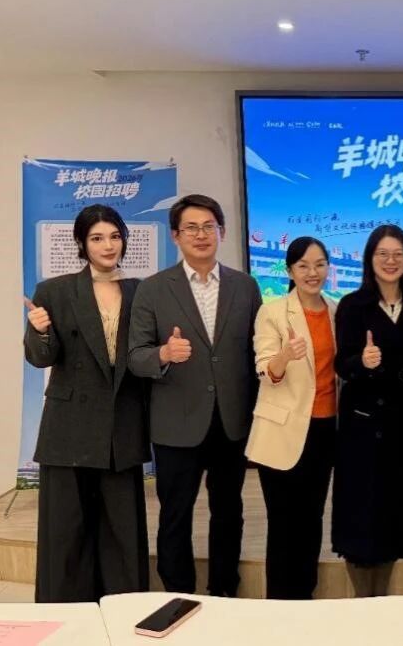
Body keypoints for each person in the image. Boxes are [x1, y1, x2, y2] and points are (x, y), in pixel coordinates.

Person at [128, 194, 261, 597]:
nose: (201, 235)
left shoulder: (245, 286)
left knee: (229, 512)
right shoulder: (153, 289)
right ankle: (178, 593)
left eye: (208, 227)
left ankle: (225, 590)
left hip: (232, 420)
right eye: (191, 228)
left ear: (222, 231)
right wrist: (164, 354)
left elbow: (255, 350)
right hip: (176, 422)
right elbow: (135, 356)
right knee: (175, 515)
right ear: (176, 236)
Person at [24, 204, 149, 602]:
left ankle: (123, 609)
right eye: (97, 238)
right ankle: (66, 613)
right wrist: (39, 332)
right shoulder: (54, 290)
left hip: (121, 425)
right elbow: (41, 358)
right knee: (66, 532)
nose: (108, 245)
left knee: (122, 532)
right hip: (69, 427)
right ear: (82, 243)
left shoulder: (141, 291)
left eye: (114, 236)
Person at [331, 225, 403, 596]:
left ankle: (383, 597)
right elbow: (341, 364)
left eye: (398, 254)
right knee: (361, 517)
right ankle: (364, 601)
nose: (391, 261)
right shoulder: (352, 305)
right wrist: (363, 362)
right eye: (383, 254)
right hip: (362, 428)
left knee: (395, 516)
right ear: (370, 259)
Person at [245, 236, 338, 599]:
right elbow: (264, 369)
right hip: (282, 432)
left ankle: (305, 599)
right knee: (284, 523)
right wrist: (284, 356)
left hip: (324, 429)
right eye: (303, 266)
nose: (313, 273)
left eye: (319, 265)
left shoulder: (336, 311)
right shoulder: (272, 312)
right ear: (290, 271)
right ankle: (280, 604)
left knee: (312, 519)